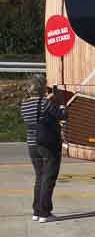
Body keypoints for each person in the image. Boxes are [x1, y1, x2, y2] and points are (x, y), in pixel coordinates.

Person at [20, 76, 67, 223]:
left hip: (32, 145)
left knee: (40, 177)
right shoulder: (45, 103)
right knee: (49, 178)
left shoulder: (24, 105)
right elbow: (63, 116)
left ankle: (37, 211)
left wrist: (48, 99)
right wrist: (61, 103)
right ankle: (44, 213)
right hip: (48, 144)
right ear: (41, 88)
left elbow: (38, 116)